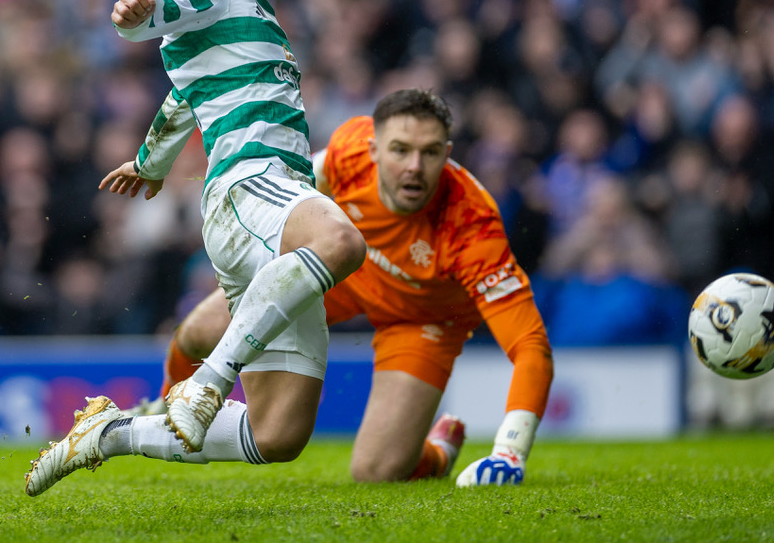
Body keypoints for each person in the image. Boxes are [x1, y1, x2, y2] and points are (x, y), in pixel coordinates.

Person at [24, 0, 367, 496]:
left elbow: (187, 96)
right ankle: (206, 384)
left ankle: (110, 433)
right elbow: (160, 6)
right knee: (341, 240)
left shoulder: (246, 4)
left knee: (278, 434)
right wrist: (137, 14)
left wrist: (151, 163)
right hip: (253, 186)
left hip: (261, 210)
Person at [133, 89, 554, 486]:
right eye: (400, 150)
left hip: (423, 319)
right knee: (195, 333)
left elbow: (530, 344)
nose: (413, 166)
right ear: (373, 149)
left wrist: (508, 453)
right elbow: (292, 195)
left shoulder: (473, 225)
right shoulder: (349, 150)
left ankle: (437, 455)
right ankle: (165, 409)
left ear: (447, 154)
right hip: (343, 278)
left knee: (374, 470)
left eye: (429, 153)